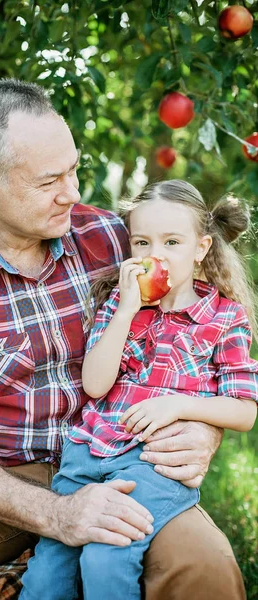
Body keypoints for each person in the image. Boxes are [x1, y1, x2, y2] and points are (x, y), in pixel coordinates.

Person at [0, 80, 246, 600]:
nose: (74, 192)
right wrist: (59, 513)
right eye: (49, 182)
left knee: (206, 569)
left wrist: (203, 428)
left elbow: (203, 332)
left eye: (74, 169)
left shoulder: (112, 238)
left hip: (120, 457)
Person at [19, 179, 258, 600]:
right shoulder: (120, 303)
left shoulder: (223, 317)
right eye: (142, 242)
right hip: (87, 455)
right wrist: (128, 308)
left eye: (172, 242)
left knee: (105, 558)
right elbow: (95, 385)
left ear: (201, 248)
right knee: (45, 578)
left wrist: (180, 405)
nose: (154, 255)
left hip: (151, 465)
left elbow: (244, 411)